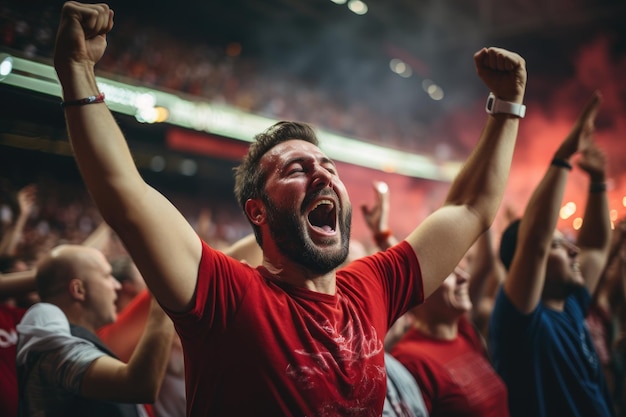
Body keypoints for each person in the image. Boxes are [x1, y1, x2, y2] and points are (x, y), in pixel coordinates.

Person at [52, 2, 527, 415]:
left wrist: (507, 107)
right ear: (257, 212)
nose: (322, 173)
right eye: (296, 169)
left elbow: (469, 207)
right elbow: (124, 193)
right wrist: (77, 68)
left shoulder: (371, 289)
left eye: (327, 165)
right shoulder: (228, 298)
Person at [490, 92, 614, 417]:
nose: (574, 250)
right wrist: (563, 156)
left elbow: (597, 248)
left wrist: (599, 181)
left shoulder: (571, 304)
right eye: (559, 245)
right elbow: (535, 240)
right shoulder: (522, 322)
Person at [16, 244, 175, 417]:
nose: (117, 285)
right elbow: (142, 386)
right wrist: (165, 296)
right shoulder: (45, 321)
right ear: (78, 290)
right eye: (107, 276)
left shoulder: (79, 337)